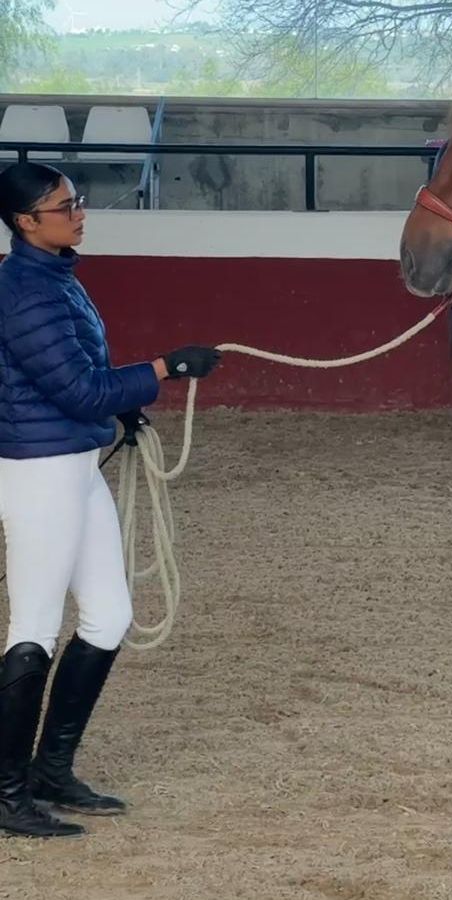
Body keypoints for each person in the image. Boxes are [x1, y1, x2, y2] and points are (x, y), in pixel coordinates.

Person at [0, 162, 221, 838]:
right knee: (33, 627)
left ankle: (50, 770)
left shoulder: (54, 278)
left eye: (78, 201)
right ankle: (6, 793)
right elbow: (80, 389)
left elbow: (85, 381)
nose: (79, 214)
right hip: (40, 472)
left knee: (109, 615)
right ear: (25, 222)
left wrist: (122, 408)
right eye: (64, 207)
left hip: (71, 462)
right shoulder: (24, 293)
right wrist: (164, 368)